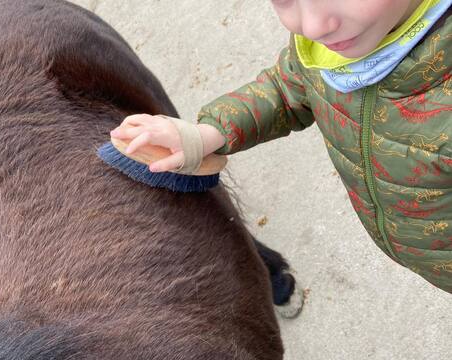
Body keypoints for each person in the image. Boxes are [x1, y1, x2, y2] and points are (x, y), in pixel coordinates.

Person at [110, 0, 452, 293]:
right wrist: (206, 134)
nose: (315, 26)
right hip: (421, 249)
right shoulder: (330, 45)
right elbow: (289, 86)